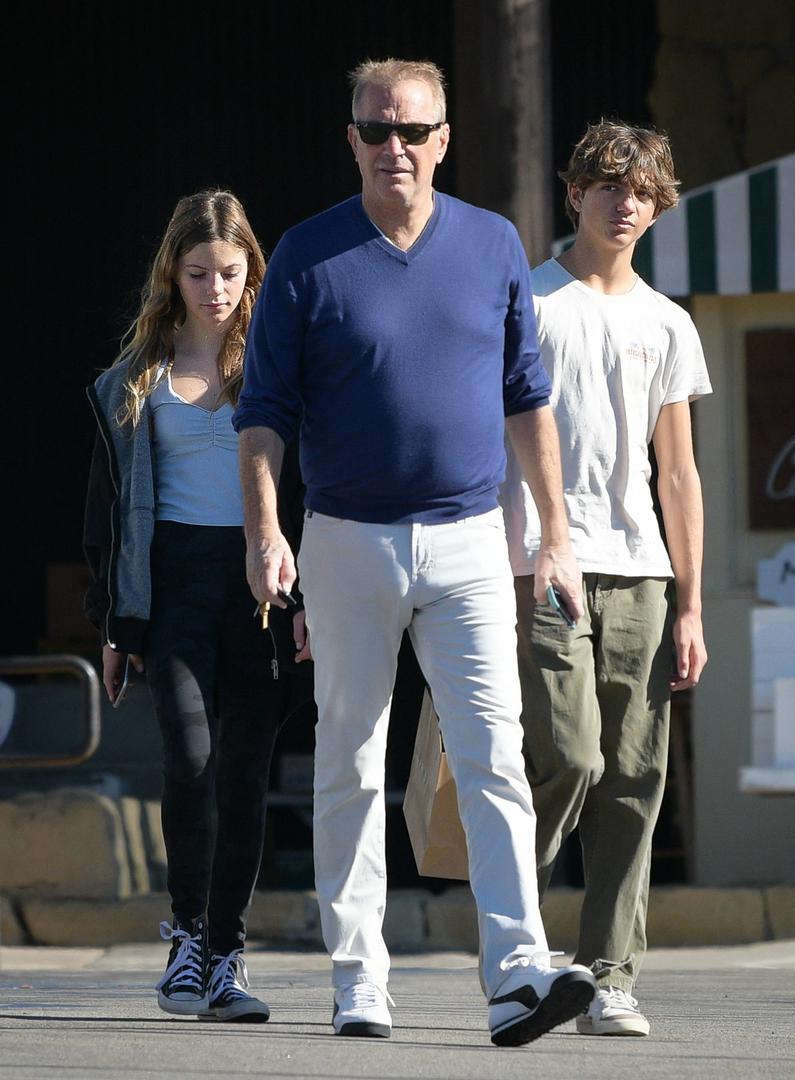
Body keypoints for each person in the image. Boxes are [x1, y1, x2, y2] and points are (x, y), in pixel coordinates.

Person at [233, 57, 597, 1047]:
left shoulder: (493, 243)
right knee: (350, 758)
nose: (394, 146)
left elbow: (528, 396)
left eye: (413, 130)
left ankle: (517, 972)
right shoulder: (305, 255)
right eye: (376, 128)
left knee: (494, 755)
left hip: (471, 539)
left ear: (444, 140)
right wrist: (265, 531)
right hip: (346, 539)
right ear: (351, 139)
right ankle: (359, 977)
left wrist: (556, 537)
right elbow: (263, 413)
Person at [499, 119, 712, 1037]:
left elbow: (679, 473)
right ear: (574, 191)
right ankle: (514, 943)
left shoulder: (669, 321)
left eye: (643, 192)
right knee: (570, 755)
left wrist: (692, 603)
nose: (626, 204)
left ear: (659, 207)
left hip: (642, 572)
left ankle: (607, 975)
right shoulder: (531, 299)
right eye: (609, 186)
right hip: (540, 558)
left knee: (634, 776)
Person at [83, 189, 309, 1022]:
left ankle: (226, 955)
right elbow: (107, 514)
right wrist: (114, 621)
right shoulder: (134, 379)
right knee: (190, 757)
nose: (216, 288)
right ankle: (186, 936)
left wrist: (309, 595)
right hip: (173, 582)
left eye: (230, 271)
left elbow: (310, 488)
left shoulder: (279, 365)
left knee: (245, 772)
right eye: (198, 272)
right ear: (172, 276)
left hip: (262, 587)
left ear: (252, 272)